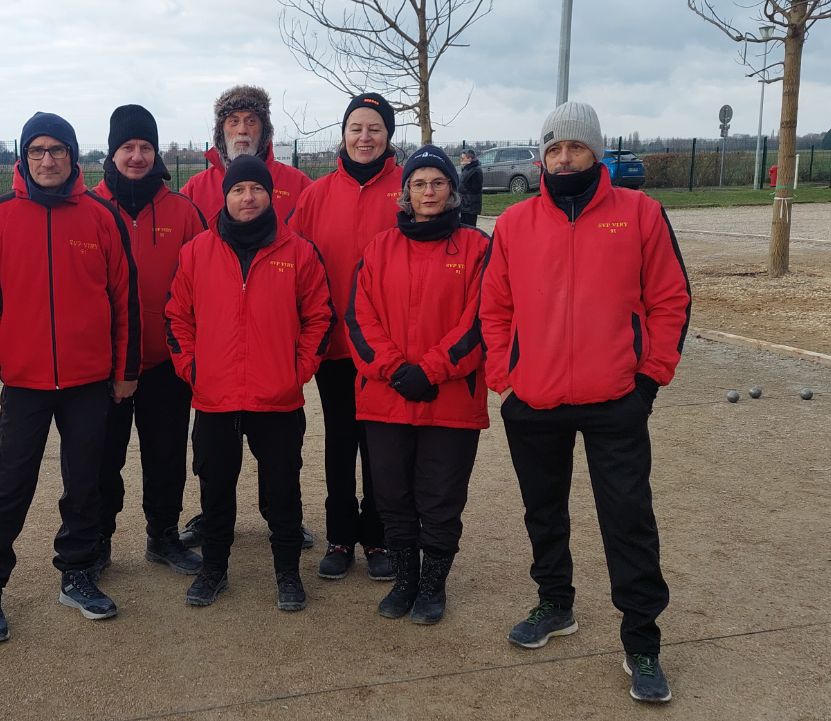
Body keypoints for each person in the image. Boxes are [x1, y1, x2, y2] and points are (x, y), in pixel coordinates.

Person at [480, 102, 691, 704]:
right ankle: (555, 603)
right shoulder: (515, 223)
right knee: (543, 512)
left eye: (575, 146)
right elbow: (493, 309)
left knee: (628, 519)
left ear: (596, 152)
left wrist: (648, 379)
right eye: (553, 148)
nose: (564, 156)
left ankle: (642, 640)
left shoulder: (641, 214)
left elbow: (671, 299)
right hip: (535, 399)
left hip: (615, 399)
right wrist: (508, 377)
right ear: (541, 157)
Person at [0, 111, 139, 643]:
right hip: (27, 379)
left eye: (57, 150)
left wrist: (124, 370)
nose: (47, 160)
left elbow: (123, 299)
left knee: (85, 482)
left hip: (88, 380)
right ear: (24, 156)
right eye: (37, 150)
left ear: (72, 156)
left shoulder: (100, 217)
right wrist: (5, 344)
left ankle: (78, 571)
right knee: (10, 483)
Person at [164, 154, 334, 612]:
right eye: (238, 190)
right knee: (215, 487)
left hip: (276, 398)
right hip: (215, 396)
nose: (248, 197)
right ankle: (213, 568)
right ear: (225, 196)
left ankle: (287, 574)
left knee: (283, 489)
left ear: (269, 195)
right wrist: (193, 369)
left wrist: (295, 370)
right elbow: (177, 317)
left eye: (256, 189)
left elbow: (319, 318)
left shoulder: (297, 251)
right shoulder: (197, 251)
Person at [346, 144, 491, 625]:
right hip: (386, 398)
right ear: (405, 192)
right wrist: (393, 370)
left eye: (438, 182)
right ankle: (406, 580)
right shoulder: (379, 248)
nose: (428, 192)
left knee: (441, 497)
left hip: (449, 398)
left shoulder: (477, 248)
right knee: (392, 496)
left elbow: (481, 321)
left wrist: (431, 369)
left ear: (451, 189)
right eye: (418, 183)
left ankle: (433, 586)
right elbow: (359, 319)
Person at [289, 93, 403, 582]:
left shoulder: (409, 187)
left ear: (388, 136)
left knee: (381, 444)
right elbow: (295, 265)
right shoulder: (316, 195)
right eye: (356, 127)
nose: (364, 137)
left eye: (374, 128)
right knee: (340, 441)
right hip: (335, 345)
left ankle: (378, 537)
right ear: (343, 133)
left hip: (389, 347)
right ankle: (340, 537)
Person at [91, 104, 207, 576]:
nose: (136, 156)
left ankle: (162, 535)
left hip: (165, 362)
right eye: (127, 147)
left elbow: (205, 282)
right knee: (102, 460)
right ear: (112, 152)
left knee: (165, 456)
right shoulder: (89, 207)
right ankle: (98, 540)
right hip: (106, 365)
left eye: (145, 147)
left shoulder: (182, 211)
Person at [180, 85, 313, 223]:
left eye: (251, 121)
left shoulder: (299, 185)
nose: (242, 130)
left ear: (264, 130)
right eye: (234, 121)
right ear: (221, 131)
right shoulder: (194, 190)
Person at [458, 149, 484, 225]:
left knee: (470, 227)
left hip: (470, 205)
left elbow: (475, 188)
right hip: (464, 204)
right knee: (463, 227)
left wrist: (463, 190)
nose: (461, 160)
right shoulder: (467, 169)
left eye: (463, 158)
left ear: (469, 159)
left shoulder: (476, 170)